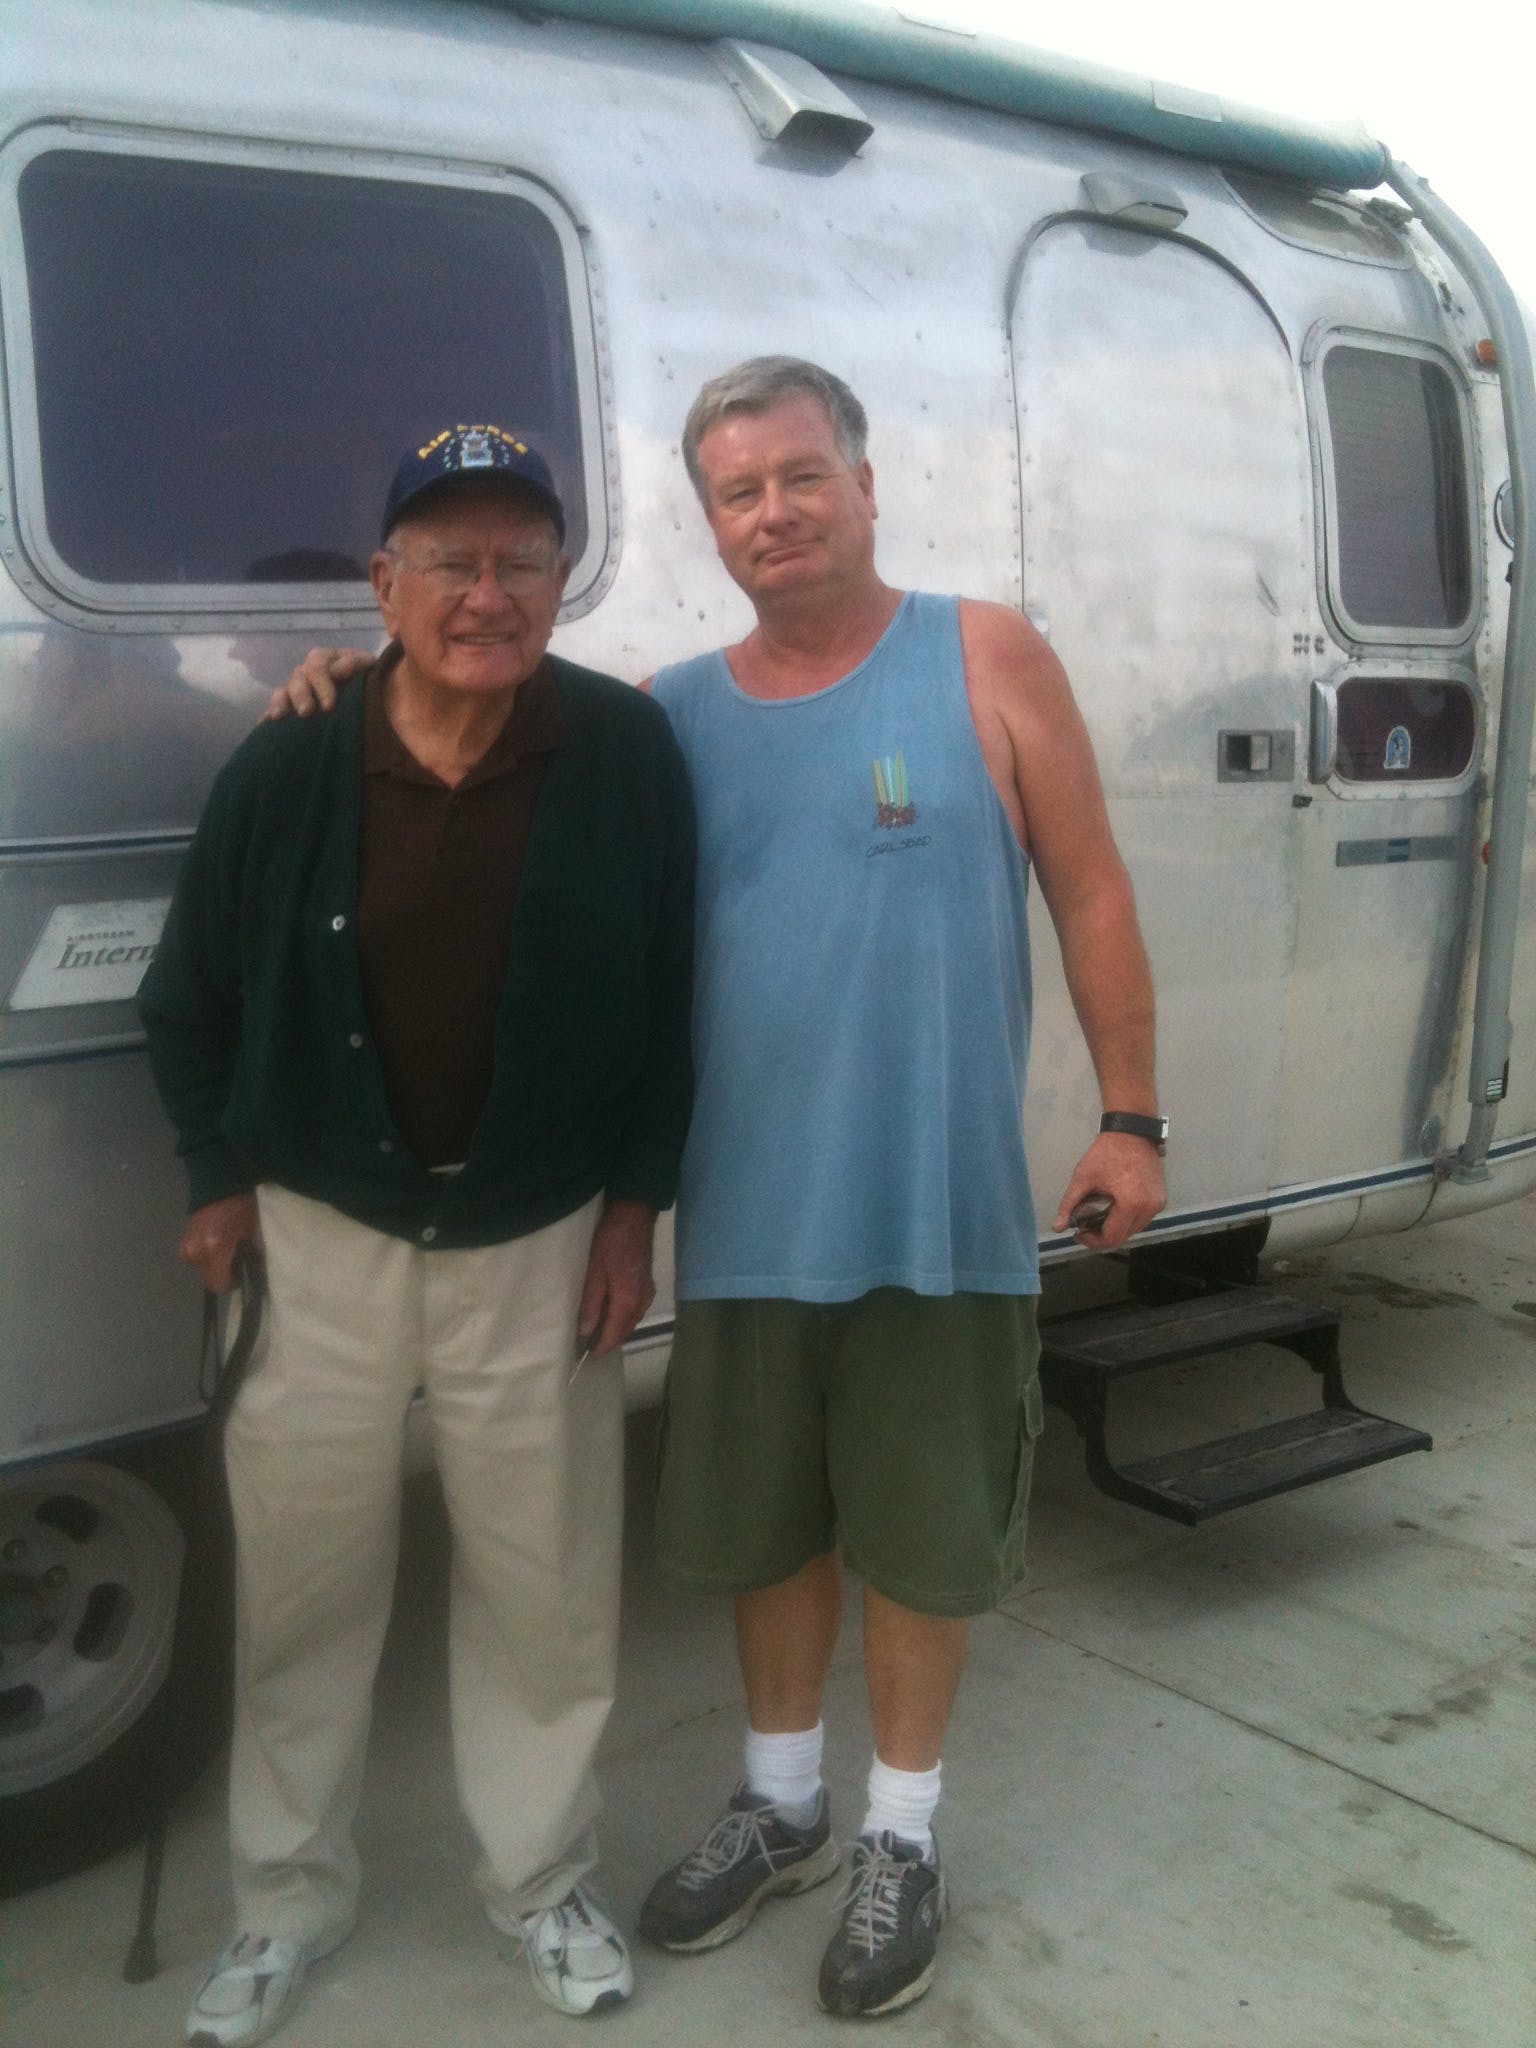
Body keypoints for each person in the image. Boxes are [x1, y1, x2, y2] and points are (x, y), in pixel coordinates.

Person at [279, 358, 1167, 2022]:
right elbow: (469, 714)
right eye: (739, 492)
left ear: (865, 482)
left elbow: (1095, 889)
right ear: (712, 524)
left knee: (915, 1539)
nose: (774, 511)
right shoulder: (670, 717)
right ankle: (782, 1805)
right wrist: (338, 677)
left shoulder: (985, 655)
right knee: (769, 1527)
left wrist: (1131, 1115)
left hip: (937, 1206)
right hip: (746, 1211)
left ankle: (903, 1831)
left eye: (800, 475)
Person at [140, 424, 695, 2048]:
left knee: (545, 1587)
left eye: (522, 558)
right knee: (307, 1586)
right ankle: (283, 1901)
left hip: (539, 1237)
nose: (487, 590)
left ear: (557, 582)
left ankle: (538, 1882)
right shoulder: (292, 757)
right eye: (447, 559)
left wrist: (633, 1214)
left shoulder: (621, 750)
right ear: (383, 585)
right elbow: (192, 998)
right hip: (317, 1233)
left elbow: (672, 1007)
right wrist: (212, 1179)